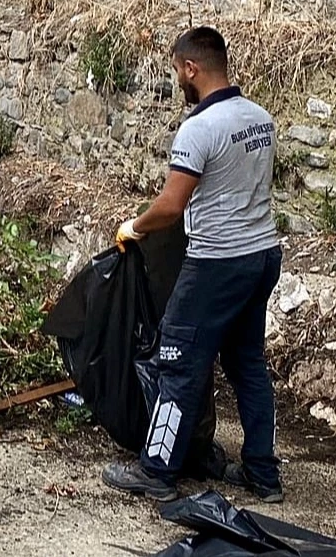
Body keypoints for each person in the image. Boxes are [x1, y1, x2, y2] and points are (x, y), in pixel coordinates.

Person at [103, 26, 283, 504]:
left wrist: (134, 226)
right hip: (262, 255)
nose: (178, 81)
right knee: (248, 364)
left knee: (177, 361)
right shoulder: (260, 117)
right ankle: (263, 476)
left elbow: (171, 205)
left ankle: (157, 470)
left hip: (216, 263)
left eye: (177, 71)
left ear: (191, 68)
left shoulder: (199, 129)